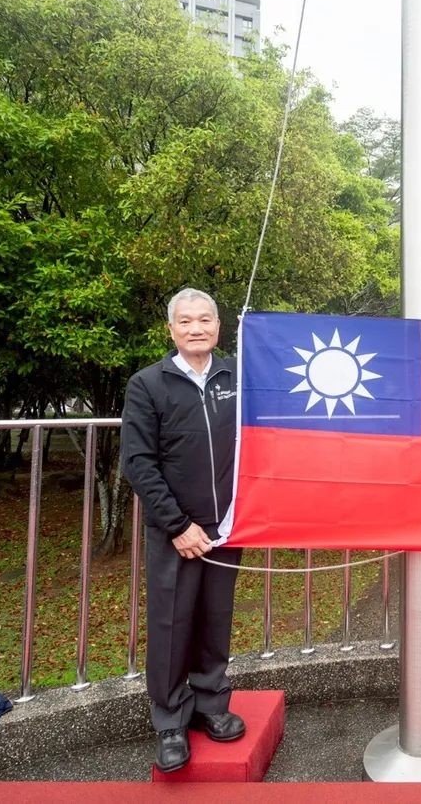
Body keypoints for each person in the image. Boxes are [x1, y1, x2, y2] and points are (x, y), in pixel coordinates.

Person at [122, 288, 244, 773]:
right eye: (186, 321)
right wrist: (177, 525)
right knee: (172, 622)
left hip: (228, 527)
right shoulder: (149, 384)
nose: (197, 328)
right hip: (175, 529)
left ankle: (211, 704)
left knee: (216, 617)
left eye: (206, 319)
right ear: (171, 329)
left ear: (219, 325)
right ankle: (170, 719)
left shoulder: (239, 375)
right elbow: (139, 462)